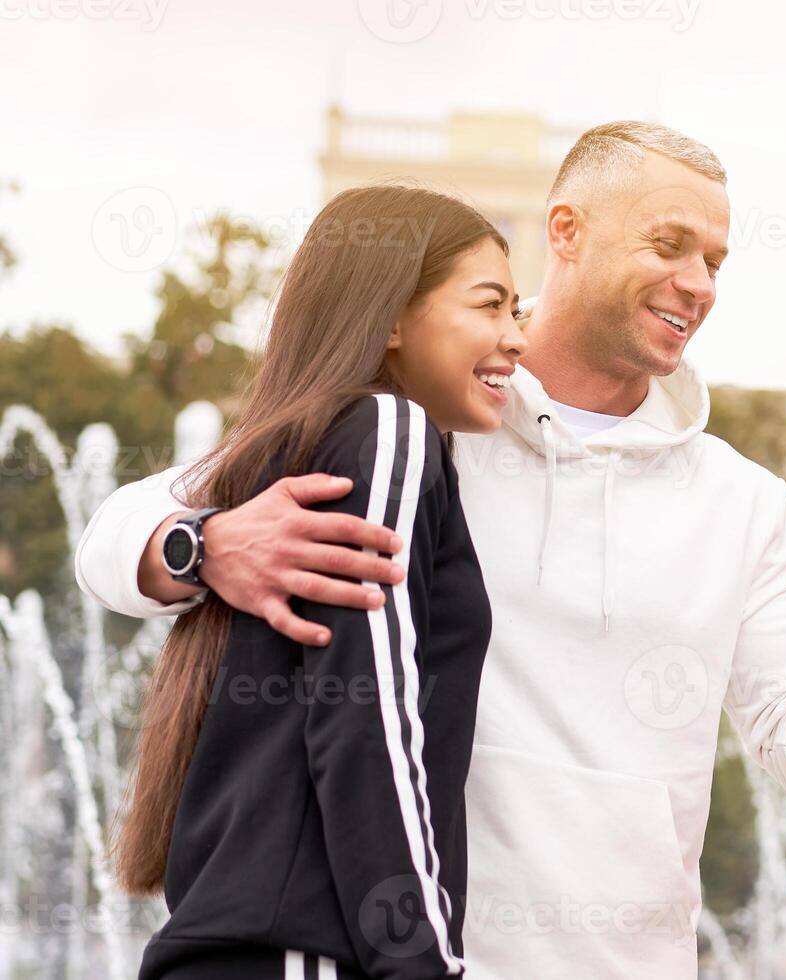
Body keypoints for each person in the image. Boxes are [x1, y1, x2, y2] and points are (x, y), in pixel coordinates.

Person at [79, 123, 786, 978]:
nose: (698, 283)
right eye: (669, 245)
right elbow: (114, 535)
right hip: (414, 955)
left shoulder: (745, 501)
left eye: (716, 262)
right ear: (567, 232)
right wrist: (204, 544)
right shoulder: (420, 421)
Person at [119, 184, 527, 978]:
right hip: (308, 954)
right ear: (392, 319)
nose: (515, 338)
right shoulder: (392, 430)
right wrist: (420, 961)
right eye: (490, 306)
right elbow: (369, 716)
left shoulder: (288, 451)